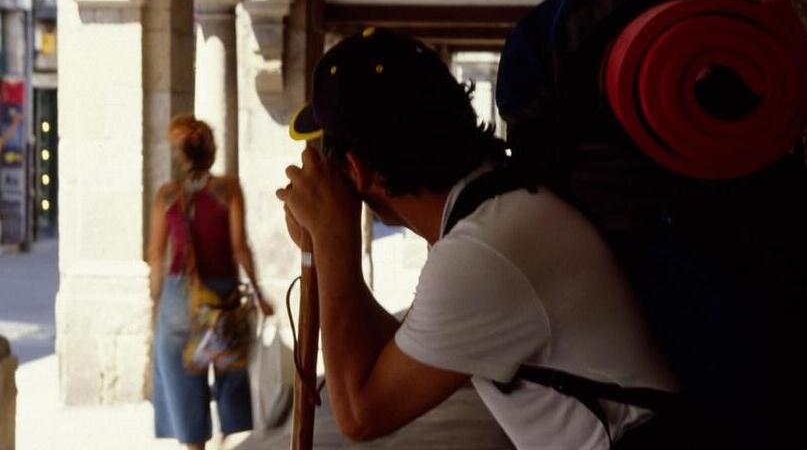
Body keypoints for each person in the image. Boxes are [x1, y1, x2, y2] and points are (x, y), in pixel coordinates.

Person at [276, 28, 677, 449]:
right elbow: (399, 355)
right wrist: (327, 246)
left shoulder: (481, 251)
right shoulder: (493, 207)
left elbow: (362, 413)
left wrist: (332, 240)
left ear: (355, 171)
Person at [147, 114, 273, 450]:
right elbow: (239, 246)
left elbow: (156, 256)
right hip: (222, 294)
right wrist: (259, 295)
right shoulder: (228, 189)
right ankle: (226, 432)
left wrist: (157, 305)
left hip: (178, 298)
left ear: (179, 155)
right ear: (210, 151)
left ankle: (195, 445)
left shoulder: (165, 197)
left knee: (181, 379)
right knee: (229, 365)